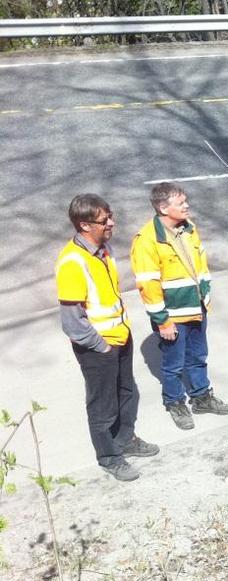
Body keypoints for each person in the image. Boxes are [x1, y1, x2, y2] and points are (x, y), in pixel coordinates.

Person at [56, 194, 159, 482]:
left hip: (119, 337)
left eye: (110, 215)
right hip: (97, 347)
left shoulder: (103, 249)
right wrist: (100, 346)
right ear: (84, 225)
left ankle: (125, 439)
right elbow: (72, 322)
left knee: (126, 392)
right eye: (104, 220)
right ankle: (109, 457)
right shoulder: (72, 262)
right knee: (102, 405)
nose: (111, 222)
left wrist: (121, 334)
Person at [130, 182, 228, 430]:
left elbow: (200, 263)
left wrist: (205, 294)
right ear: (163, 208)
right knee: (173, 364)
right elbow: (148, 285)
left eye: (185, 201)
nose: (187, 206)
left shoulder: (189, 228)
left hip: (196, 308)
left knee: (198, 356)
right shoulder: (146, 241)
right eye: (181, 203)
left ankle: (201, 397)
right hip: (173, 315)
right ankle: (175, 402)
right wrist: (162, 321)